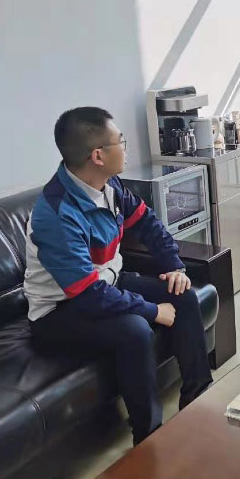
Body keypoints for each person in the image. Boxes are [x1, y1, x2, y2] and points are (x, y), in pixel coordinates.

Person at [25, 100, 213, 434]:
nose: (125, 148)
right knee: (135, 330)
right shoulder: (56, 215)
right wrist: (153, 311)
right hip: (59, 311)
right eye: (121, 141)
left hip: (106, 284)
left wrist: (174, 266)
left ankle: (198, 400)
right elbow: (88, 296)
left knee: (183, 295)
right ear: (98, 156)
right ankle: (149, 435)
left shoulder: (109, 185)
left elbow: (147, 223)